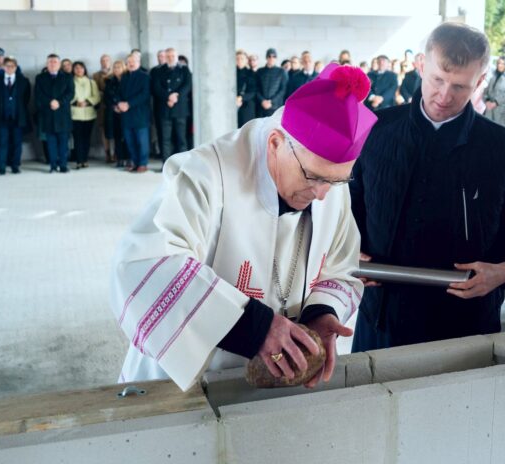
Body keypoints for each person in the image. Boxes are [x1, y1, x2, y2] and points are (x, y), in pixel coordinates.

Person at [111, 63, 376, 390]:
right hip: (185, 386)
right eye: (313, 178)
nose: (322, 195)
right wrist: (255, 328)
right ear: (276, 143)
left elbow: (340, 265)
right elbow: (142, 266)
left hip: (275, 383)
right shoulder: (204, 175)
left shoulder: (328, 180)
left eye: (336, 181)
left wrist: (321, 312)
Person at [350, 22, 505, 351]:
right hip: (382, 317)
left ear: (479, 83)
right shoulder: (374, 130)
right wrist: (349, 253)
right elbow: (346, 212)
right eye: (437, 79)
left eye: (460, 86)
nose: (444, 95)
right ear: (421, 66)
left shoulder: (504, 147)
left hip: (466, 324)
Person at [35, 54, 75, 173]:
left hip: (62, 114)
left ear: (59, 64)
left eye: (55, 62)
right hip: (48, 114)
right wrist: (49, 102)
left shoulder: (67, 77)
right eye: (50, 62)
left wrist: (59, 102)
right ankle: (52, 165)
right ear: (47, 64)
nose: (52, 64)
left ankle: (63, 165)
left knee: (63, 142)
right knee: (51, 142)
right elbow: (38, 94)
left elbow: (70, 93)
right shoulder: (40, 77)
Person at [0, 56, 31, 175]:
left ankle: (15, 166)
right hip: (2, 117)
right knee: (2, 142)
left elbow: (26, 99)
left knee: (17, 143)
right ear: (3, 67)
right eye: (7, 66)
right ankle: (1, 167)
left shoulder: (23, 81)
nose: (9, 68)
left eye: (12, 66)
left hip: (17, 117)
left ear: (16, 67)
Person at [151, 47, 192, 162]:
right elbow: (156, 87)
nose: (170, 58)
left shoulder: (184, 69)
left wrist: (176, 96)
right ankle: (166, 165)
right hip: (165, 108)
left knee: (181, 139)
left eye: (173, 56)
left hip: (180, 109)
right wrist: (168, 97)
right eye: (168, 56)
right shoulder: (159, 70)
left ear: (176, 57)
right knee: (165, 139)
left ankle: (183, 164)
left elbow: (187, 85)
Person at [118, 53, 151, 172]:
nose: (131, 64)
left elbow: (145, 94)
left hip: (140, 114)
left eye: (133, 61)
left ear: (139, 63)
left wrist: (128, 104)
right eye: (129, 62)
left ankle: (143, 163)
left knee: (142, 141)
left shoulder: (145, 76)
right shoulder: (124, 77)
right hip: (126, 114)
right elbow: (119, 93)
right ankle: (135, 162)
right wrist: (118, 104)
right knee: (130, 141)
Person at [70, 61, 100, 169]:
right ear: (73, 70)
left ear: (84, 69)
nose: (79, 70)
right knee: (77, 138)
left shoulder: (92, 82)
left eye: (81, 68)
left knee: (86, 138)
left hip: (89, 114)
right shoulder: (70, 81)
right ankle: (79, 160)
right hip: (75, 114)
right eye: (76, 68)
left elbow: (97, 96)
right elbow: (67, 96)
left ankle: (85, 159)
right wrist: (75, 102)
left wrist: (87, 102)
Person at [484, 56, 505, 130]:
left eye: (502, 63)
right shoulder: (493, 75)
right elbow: (486, 89)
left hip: (503, 113)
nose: (500, 65)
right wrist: (486, 100)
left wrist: (496, 102)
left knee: (503, 135)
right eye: (498, 63)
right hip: (490, 111)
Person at [105, 60, 129, 167]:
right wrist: (115, 106)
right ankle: (119, 159)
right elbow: (107, 97)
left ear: (124, 68)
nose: (116, 69)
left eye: (119, 67)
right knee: (117, 137)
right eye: (114, 67)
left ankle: (128, 158)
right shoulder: (109, 81)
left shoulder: (128, 80)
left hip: (127, 112)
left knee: (127, 137)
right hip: (114, 112)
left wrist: (123, 106)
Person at [93, 54, 113, 163]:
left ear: (110, 61)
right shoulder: (96, 75)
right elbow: (96, 91)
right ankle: (107, 153)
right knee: (103, 130)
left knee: (115, 129)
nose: (105, 62)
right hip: (102, 107)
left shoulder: (116, 72)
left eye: (107, 60)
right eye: (103, 61)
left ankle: (116, 153)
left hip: (114, 106)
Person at [256, 48, 287, 117]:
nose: (271, 58)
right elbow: (256, 88)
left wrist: (271, 101)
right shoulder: (260, 71)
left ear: (276, 58)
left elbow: (283, 89)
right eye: (269, 56)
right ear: (266, 58)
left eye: (274, 56)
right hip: (261, 106)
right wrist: (262, 101)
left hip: (275, 106)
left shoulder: (281, 71)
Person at [236, 50, 257, 128]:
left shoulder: (252, 73)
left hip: (247, 105)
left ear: (246, 60)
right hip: (233, 104)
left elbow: (254, 91)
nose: (239, 60)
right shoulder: (231, 72)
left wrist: (241, 98)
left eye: (242, 58)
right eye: (237, 58)